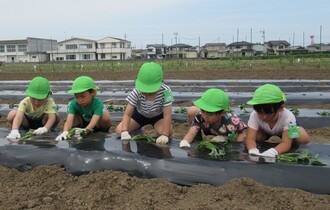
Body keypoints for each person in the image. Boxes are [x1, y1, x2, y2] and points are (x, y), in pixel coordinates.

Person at [115, 62, 174, 144]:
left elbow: (167, 114)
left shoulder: (166, 91)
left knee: (167, 131)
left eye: (151, 90)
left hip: (157, 116)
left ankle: (159, 135)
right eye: (145, 90)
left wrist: (165, 134)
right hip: (139, 115)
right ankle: (138, 131)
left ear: (161, 82)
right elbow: (127, 114)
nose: (147, 93)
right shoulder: (137, 91)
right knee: (119, 130)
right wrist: (124, 131)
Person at [245, 84, 309, 157]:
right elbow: (250, 138)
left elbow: (286, 143)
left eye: (269, 113)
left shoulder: (287, 117)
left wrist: (273, 152)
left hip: (284, 131)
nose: (264, 117)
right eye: (260, 113)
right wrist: (252, 149)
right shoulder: (254, 115)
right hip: (264, 131)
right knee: (255, 136)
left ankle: (292, 137)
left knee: (303, 139)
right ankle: (263, 136)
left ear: (280, 108)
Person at [179, 88, 247, 148]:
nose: (205, 116)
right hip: (211, 131)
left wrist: (227, 138)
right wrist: (185, 142)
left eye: (210, 114)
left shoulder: (232, 122)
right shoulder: (200, 116)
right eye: (202, 111)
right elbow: (191, 132)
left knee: (240, 139)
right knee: (192, 111)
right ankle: (197, 139)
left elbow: (243, 134)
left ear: (223, 113)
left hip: (226, 134)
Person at [56, 76, 112, 141]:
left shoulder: (98, 104)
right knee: (73, 116)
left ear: (92, 93)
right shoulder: (73, 104)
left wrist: (85, 131)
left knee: (105, 117)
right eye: (77, 97)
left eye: (83, 96)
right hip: (81, 122)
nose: (80, 100)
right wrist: (65, 132)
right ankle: (77, 131)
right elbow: (69, 121)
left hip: (96, 125)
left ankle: (103, 131)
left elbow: (95, 120)